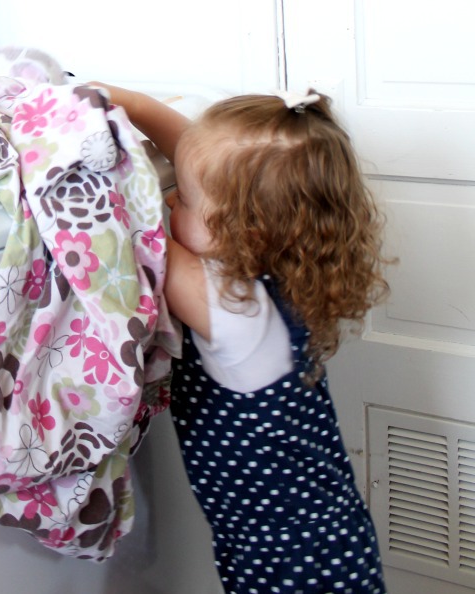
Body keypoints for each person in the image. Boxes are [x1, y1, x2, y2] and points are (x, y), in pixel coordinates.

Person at [96, 83, 390, 593]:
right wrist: (125, 102)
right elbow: (196, 155)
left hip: (293, 567)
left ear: (245, 231)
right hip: (316, 542)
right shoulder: (273, 270)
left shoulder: (233, 308)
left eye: (183, 200)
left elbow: (137, 227)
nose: (169, 199)